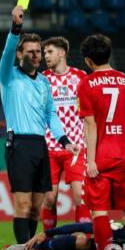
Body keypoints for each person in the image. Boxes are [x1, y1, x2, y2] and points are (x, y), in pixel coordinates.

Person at [0, 5, 79, 250]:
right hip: (19, 144)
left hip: (40, 145)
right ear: (20, 54)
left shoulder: (44, 81)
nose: (36, 55)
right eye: (30, 51)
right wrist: (15, 28)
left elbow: (51, 115)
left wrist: (64, 140)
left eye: (38, 51)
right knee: (22, 206)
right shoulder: (8, 76)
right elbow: (7, 51)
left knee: (35, 208)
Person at [77, 34, 125, 250]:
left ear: (88, 60)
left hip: (101, 159)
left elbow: (90, 123)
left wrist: (92, 160)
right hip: (124, 155)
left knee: (99, 213)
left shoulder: (86, 84)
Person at [41, 36, 91, 230]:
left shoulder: (80, 77)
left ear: (62, 53)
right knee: (50, 198)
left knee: (80, 196)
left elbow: (89, 112)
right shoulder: (43, 79)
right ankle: (49, 241)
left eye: (50, 52)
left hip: (76, 147)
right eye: (45, 53)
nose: (46, 56)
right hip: (50, 147)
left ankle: (83, 240)